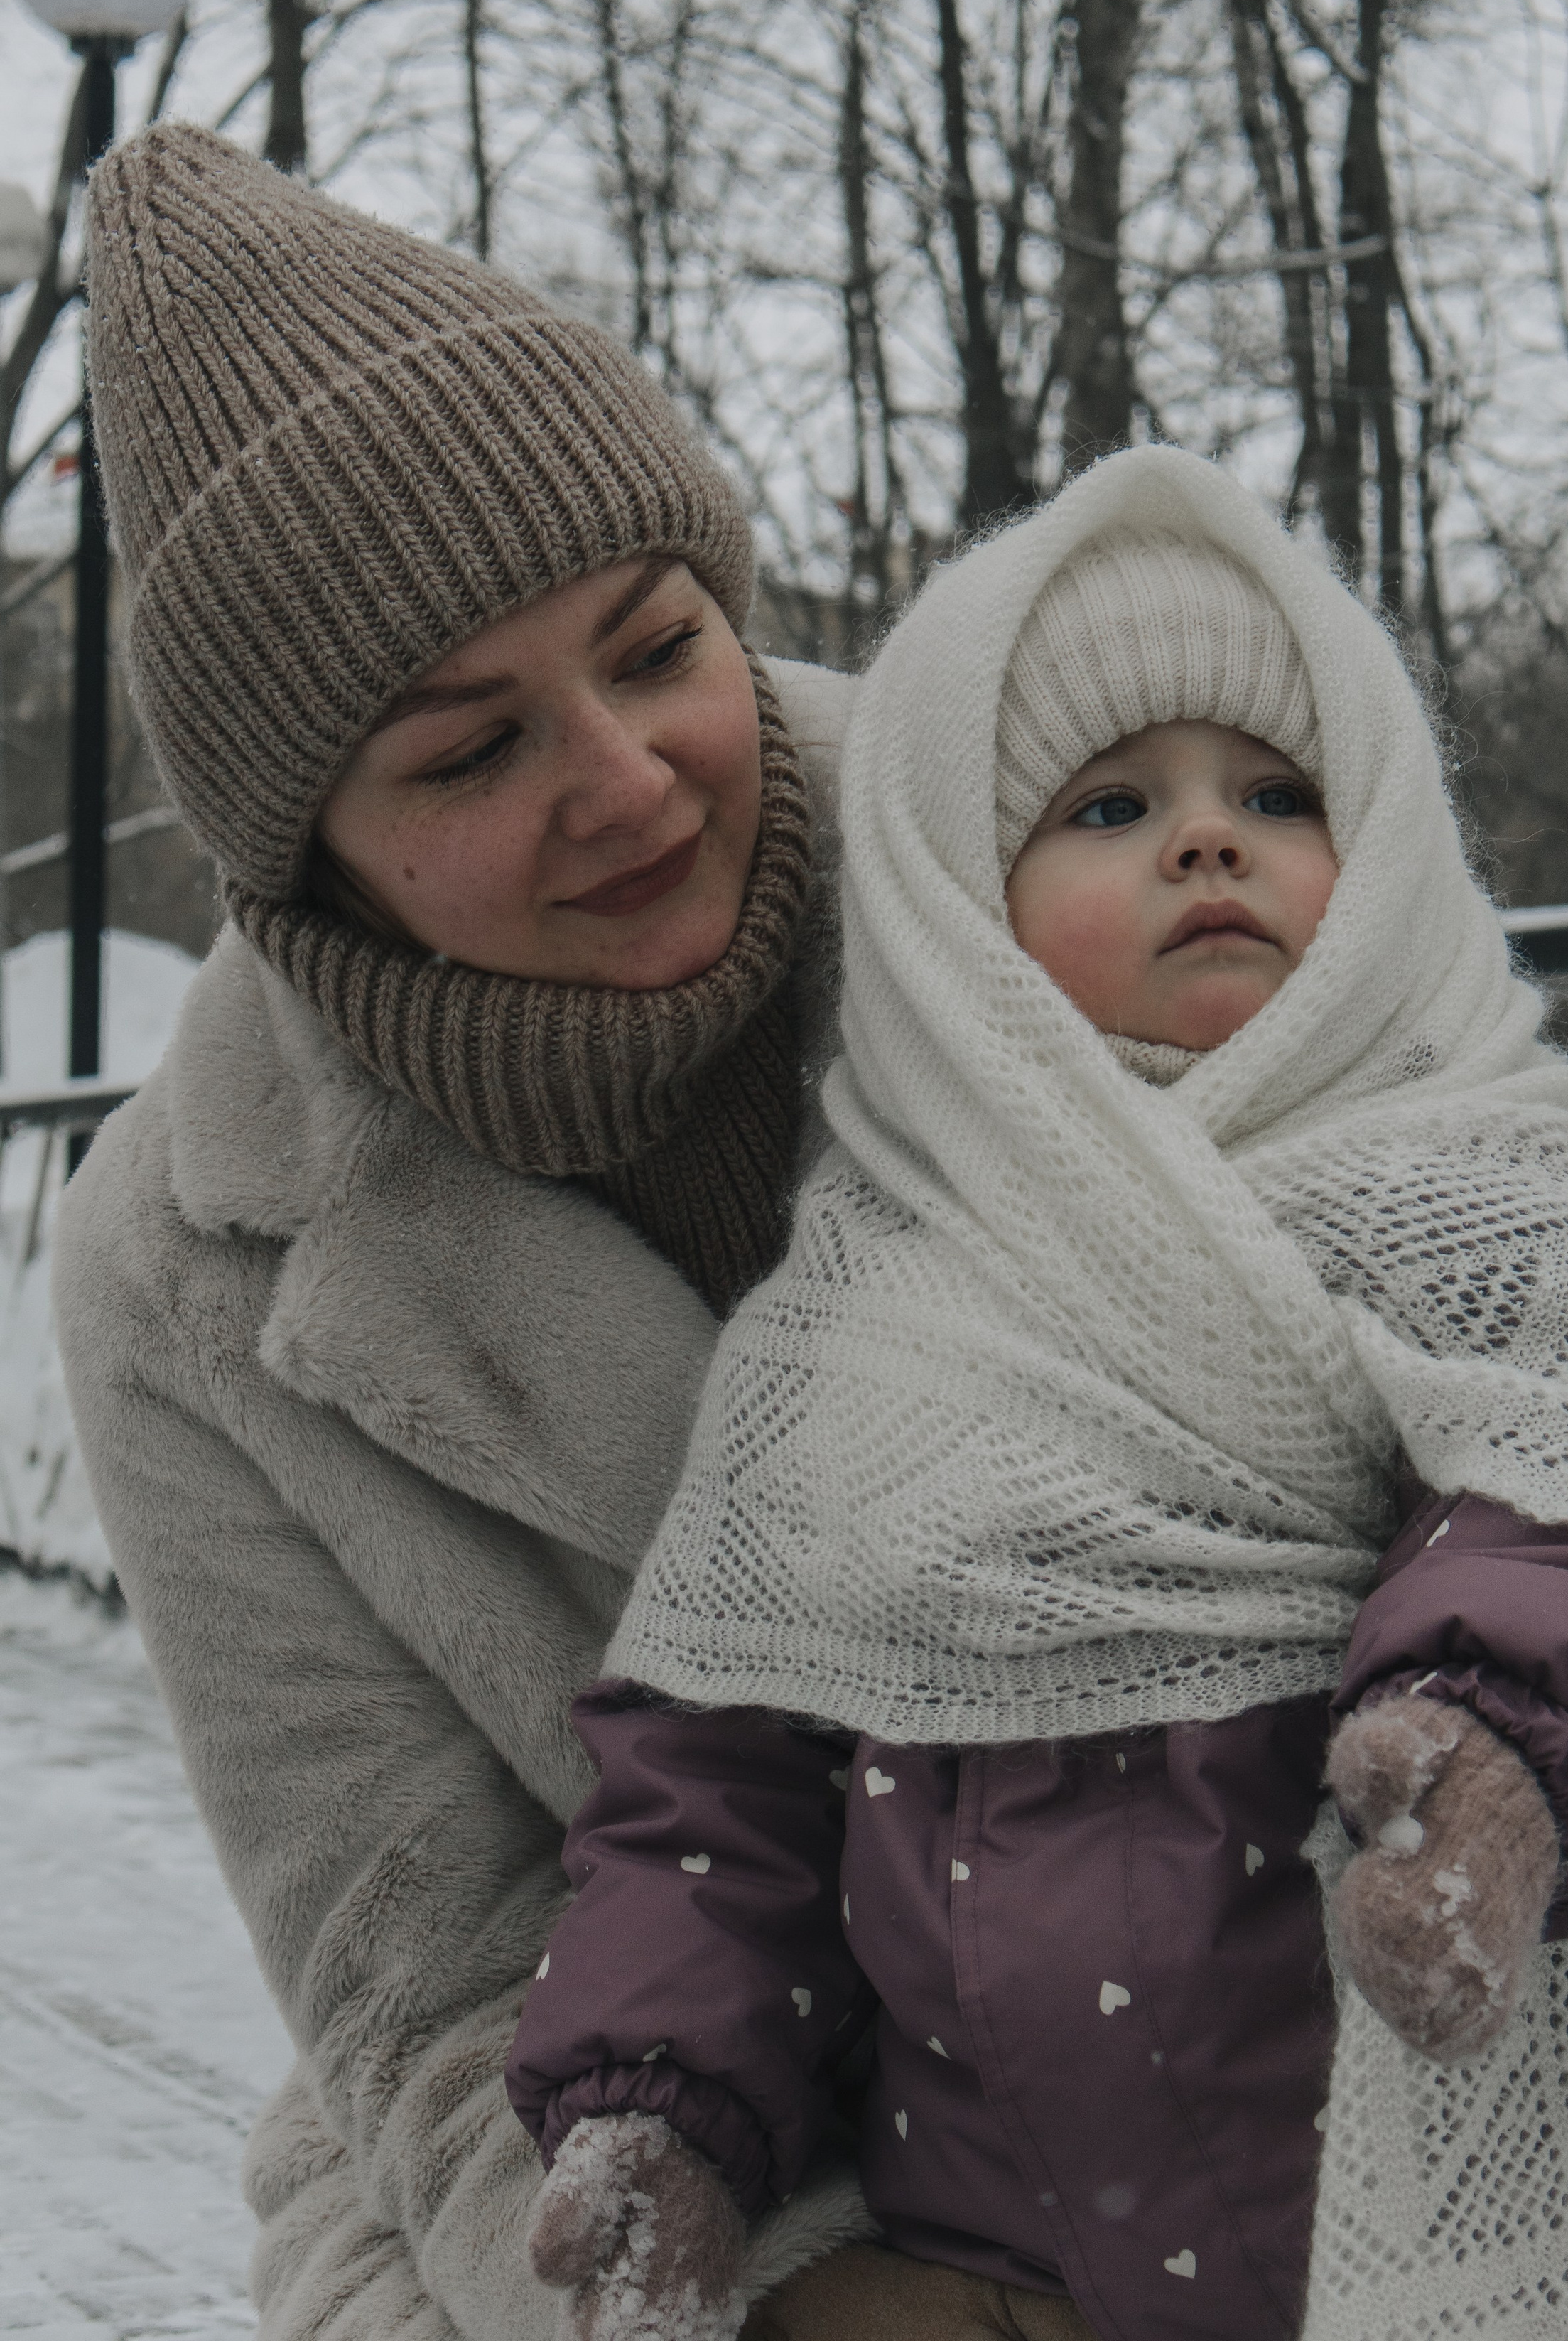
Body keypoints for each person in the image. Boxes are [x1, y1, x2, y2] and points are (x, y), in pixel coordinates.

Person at [505, 448, 1568, 2341]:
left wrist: (1489, 1748)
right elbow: (724, 1780)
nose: (1210, 841)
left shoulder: (1502, 1201)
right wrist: (663, 2104)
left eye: (1276, 794)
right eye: (1112, 803)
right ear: (961, 913)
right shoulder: (875, 1316)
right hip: (1040, 2263)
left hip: (1531, 2259)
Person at [51, 122, 874, 2341]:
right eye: (467, 748)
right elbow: (418, 1978)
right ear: (297, 853)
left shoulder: (1050, 865)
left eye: (656, 642)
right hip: (657, 2151)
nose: (625, 779)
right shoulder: (174, 1270)